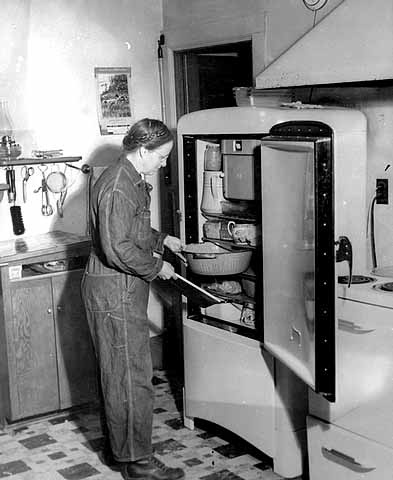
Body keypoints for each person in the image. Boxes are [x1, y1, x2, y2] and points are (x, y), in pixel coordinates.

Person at [81, 118, 185, 480]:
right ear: (143, 150)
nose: (164, 164)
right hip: (115, 291)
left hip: (119, 288)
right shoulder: (117, 186)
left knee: (118, 374)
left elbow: (131, 228)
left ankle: (120, 454)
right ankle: (138, 465)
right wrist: (158, 268)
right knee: (132, 378)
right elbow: (118, 247)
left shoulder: (128, 177)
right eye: (162, 156)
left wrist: (162, 240)